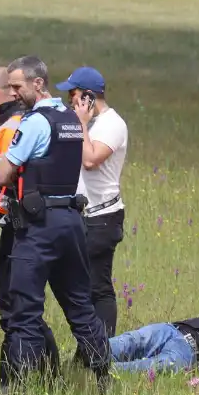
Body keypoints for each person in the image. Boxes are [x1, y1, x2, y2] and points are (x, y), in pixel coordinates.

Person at [0, 55, 111, 394]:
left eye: (17, 86)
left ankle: (15, 388)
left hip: (39, 226)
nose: (14, 93)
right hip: (72, 222)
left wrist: (8, 157)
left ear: (38, 83)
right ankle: (103, 378)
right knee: (80, 305)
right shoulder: (72, 119)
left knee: (24, 308)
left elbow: (4, 173)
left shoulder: (33, 122)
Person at [0, 65, 61, 388]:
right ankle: (53, 377)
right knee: (29, 306)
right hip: (46, 224)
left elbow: (6, 186)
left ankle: (11, 384)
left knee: (14, 310)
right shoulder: (35, 121)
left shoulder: (10, 129)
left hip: (17, 228)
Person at [57, 65, 128, 339]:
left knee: (96, 287)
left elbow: (90, 160)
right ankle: (93, 346)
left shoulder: (113, 124)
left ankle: (102, 346)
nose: (69, 101)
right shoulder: (92, 124)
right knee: (84, 286)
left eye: (73, 95)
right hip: (83, 215)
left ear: (87, 96)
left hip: (103, 217)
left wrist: (82, 124)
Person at [109, 316, 199, 374]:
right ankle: (91, 355)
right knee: (127, 341)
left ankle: (100, 370)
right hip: (172, 329)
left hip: (190, 350)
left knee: (149, 366)